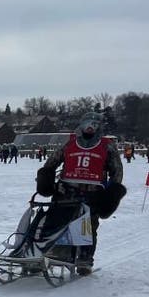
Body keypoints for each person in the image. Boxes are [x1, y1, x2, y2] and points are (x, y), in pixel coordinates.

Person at [36, 111, 125, 274]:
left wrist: (112, 191)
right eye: (88, 123)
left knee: (87, 226)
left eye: (94, 124)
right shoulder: (70, 144)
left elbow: (116, 170)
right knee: (56, 220)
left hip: (92, 193)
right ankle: (46, 250)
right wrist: (45, 178)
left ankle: (85, 258)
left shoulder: (106, 146)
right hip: (66, 190)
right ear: (81, 125)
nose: (90, 127)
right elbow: (52, 162)